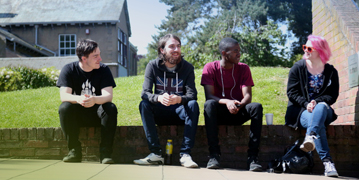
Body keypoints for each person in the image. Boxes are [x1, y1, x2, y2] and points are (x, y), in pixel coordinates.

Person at [133, 34, 199, 168]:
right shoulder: (152, 66)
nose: (176, 49)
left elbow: (192, 95)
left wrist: (179, 99)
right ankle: (155, 154)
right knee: (144, 104)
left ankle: (185, 154)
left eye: (178, 46)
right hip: (160, 111)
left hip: (179, 112)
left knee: (193, 105)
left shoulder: (187, 67)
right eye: (172, 46)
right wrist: (158, 97)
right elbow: (145, 93)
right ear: (162, 50)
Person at [201, 37, 263, 171]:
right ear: (224, 53)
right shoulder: (210, 67)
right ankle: (214, 156)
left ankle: (252, 158)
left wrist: (239, 105)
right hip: (220, 113)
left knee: (256, 107)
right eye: (235, 51)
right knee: (209, 105)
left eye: (239, 50)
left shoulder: (244, 68)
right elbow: (209, 96)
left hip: (238, 110)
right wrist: (228, 102)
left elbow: (247, 96)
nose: (239, 54)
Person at [285, 35, 339, 177]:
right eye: (305, 47)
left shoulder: (331, 72)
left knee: (321, 107)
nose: (306, 51)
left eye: (309, 48)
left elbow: (332, 96)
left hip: (323, 110)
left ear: (320, 51)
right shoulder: (298, 68)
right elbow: (291, 92)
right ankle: (328, 163)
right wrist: (306, 104)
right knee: (315, 123)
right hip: (302, 111)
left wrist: (317, 101)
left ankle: (310, 136)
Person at [57, 39, 117, 164]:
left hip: (97, 114)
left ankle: (105, 154)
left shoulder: (104, 70)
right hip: (77, 115)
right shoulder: (69, 69)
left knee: (110, 107)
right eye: (95, 56)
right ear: (84, 58)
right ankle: (74, 151)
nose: (100, 59)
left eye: (99, 54)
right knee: (64, 107)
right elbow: (64, 95)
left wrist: (94, 99)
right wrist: (79, 99)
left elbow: (108, 96)